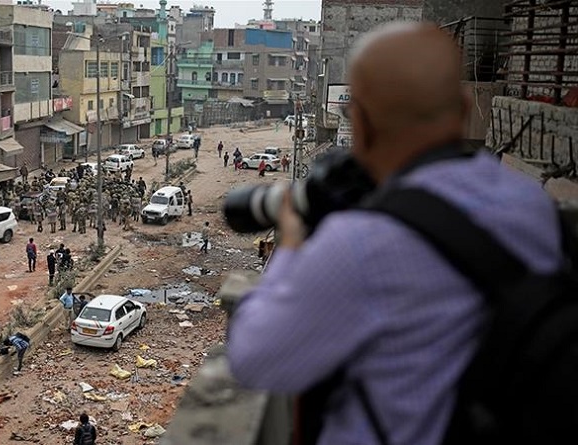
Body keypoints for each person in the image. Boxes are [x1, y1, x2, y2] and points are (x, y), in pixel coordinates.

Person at [226, 22, 561, 445]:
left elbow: (254, 359)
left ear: (361, 124)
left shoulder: (363, 243)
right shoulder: (531, 203)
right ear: (462, 108)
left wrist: (291, 241)